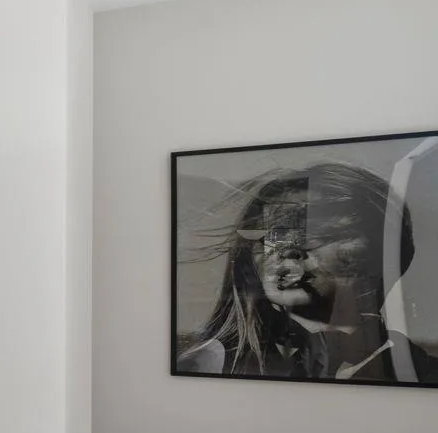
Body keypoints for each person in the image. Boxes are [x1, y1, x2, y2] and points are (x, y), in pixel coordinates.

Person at [177, 161, 436, 384]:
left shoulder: (423, 374)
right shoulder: (208, 364)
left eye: (319, 231)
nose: (286, 250)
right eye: (274, 234)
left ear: (382, 250)